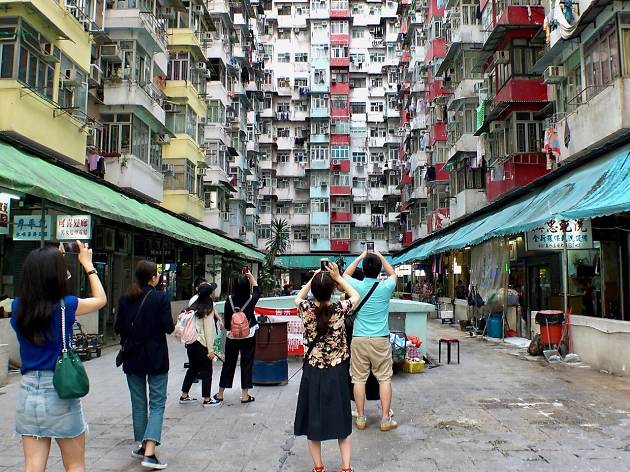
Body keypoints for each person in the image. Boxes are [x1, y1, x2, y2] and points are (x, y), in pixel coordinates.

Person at [11, 242, 107, 472]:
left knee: (33, 466)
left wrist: (52, 256)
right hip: (60, 391)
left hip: (28, 394)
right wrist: (87, 264)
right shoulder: (67, 306)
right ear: (57, 275)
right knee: (74, 464)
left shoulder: (17, 307)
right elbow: (101, 299)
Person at [294, 262, 360, 472]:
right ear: (332, 290)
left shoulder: (305, 309)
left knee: (313, 420)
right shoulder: (339, 309)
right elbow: (355, 296)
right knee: (342, 420)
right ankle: (346, 467)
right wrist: (339, 278)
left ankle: (319, 467)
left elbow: (298, 298)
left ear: (313, 290)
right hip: (337, 371)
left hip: (313, 371)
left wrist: (312, 278)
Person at [115, 260, 174, 470]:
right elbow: (168, 327)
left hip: (132, 357)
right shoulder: (160, 298)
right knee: (157, 403)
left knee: (138, 403)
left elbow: (117, 328)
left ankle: (142, 445)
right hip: (156, 357)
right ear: (152, 278)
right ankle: (150, 453)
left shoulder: (125, 298)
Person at [343, 250, 398, 432]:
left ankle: (360, 417)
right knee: (384, 379)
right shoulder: (385, 287)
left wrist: (359, 257)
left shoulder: (356, 286)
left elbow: (345, 275)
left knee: (358, 379)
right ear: (378, 269)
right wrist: (381, 256)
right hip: (380, 339)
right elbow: (392, 274)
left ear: (364, 269)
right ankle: (384, 419)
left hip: (359, 338)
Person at [213, 271, 260, 404]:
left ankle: (220, 393)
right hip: (248, 335)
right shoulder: (251, 299)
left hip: (232, 337)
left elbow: (227, 322)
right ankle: (245, 395)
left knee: (228, 364)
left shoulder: (229, 300)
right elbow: (258, 291)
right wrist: (251, 277)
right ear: (247, 286)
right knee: (247, 363)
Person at [179, 283, 220, 406]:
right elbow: (208, 330)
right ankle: (207, 399)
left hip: (191, 343)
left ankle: (184, 395)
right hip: (201, 343)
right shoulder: (208, 307)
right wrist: (210, 350)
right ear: (209, 294)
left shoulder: (193, 306)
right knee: (207, 370)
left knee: (192, 369)